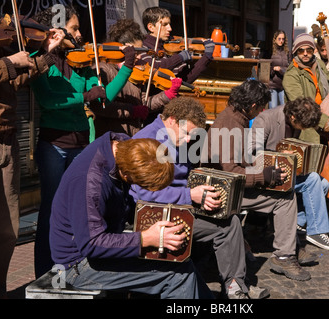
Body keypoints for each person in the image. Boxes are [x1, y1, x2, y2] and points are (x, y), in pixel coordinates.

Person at [30, 6, 137, 278]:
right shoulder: (39, 60)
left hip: (80, 145)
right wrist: (84, 98)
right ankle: (46, 273)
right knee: (51, 212)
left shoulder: (82, 60)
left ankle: (81, 267)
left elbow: (102, 97)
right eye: (75, 28)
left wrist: (127, 68)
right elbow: (49, 101)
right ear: (57, 28)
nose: (80, 34)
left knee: (83, 209)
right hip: (53, 145)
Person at [130, 96, 269, 299]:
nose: (188, 140)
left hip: (179, 205)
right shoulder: (147, 141)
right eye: (187, 133)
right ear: (172, 120)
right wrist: (190, 194)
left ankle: (235, 286)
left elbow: (186, 176)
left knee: (230, 219)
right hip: (154, 214)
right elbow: (144, 194)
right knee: (227, 227)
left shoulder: (176, 137)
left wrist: (205, 188)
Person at [49, 132, 212, 298]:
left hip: (102, 246)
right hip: (76, 265)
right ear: (126, 175)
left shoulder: (123, 147)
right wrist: (146, 238)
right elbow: (91, 243)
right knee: (178, 276)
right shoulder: (89, 182)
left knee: (181, 262)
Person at [0, 8, 64, 298]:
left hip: (7, 142)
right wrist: (8, 63)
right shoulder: (0, 54)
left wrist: (43, 54)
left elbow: (12, 82)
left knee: (5, 229)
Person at [203, 79, 313, 282]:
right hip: (221, 190)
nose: (262, 111)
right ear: (253, 105)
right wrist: (264, 176)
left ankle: (288, 249)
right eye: (262, 107)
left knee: (283, 189)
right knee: (285, 198)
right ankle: (283, 256)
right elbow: (231, 171)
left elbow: (239, 159)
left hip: (226, 183)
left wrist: (266, 164)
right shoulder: (231, 124)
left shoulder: (235, 116)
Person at [250, 97, 329, 251]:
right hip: (267, 175)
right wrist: (279, 154)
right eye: (302, 126)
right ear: (292, 117)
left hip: (286, 171)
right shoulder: (265, 119)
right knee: (312, 180)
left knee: (324, 184)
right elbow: (252, 152)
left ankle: (298, 220)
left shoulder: (294, 118)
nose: (303, 130)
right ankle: (317, 232)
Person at [90, 18, 182, 138]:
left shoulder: (137, 71)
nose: (139, 57)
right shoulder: (103, 69)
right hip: (111, 136)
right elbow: (100, 107)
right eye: (135, 52)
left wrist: (167, 95)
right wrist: (132, 111)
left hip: (132, 135)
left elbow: (143, 104)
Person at [283, 33, 329, 144]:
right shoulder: (291, 74)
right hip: (306, 125)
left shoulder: (319, 64)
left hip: (325, 115)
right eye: (301, 50)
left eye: (309, 50)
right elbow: (301, 106)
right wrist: (324, 121)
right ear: (296, 51)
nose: (305, 54)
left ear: (314, 50)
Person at [268, 30, 291, 109]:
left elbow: (290, 68)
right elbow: (265, 67)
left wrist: (281, 69)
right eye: (279, 39)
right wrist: (273, 69)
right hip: (272, 85)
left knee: (284, 109)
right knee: (273, 109)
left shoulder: (287, 52)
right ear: (275, 39)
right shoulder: (270, 51)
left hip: (283, 84)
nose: (281, 41)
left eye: (283, 39)